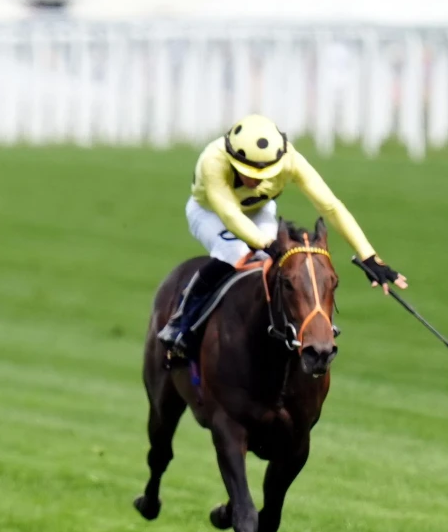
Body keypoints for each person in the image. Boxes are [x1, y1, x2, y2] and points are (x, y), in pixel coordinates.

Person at [157, 113, 408, 360]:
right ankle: (182, 321)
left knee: (282, 266)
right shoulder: (212, 161)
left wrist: (369, 256)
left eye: (263, 173)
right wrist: (267, 244)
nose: (254, 180)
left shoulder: (291, 159)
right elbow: (230, 215)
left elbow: (330, 206)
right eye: (247, 172)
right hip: (210, 212)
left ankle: (293, 326)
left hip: (259, 211)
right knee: (235, 254)